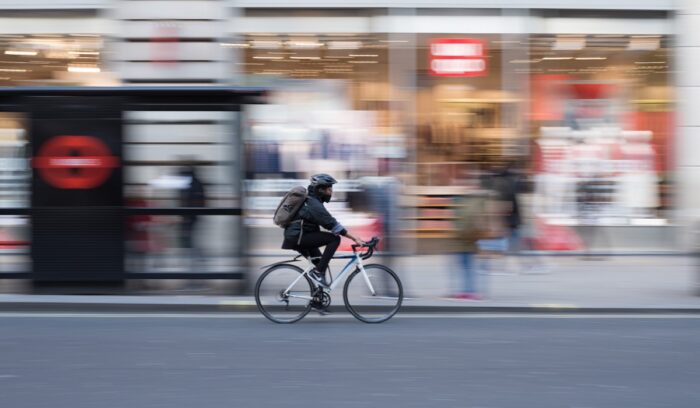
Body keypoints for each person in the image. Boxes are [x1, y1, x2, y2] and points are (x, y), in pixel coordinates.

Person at [281, 174, 365, 287]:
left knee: (321, 263)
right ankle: (318, 273)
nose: (331, 192)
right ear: (320, 189)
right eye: (329, 189)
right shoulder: (313, 204)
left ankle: (317, 297)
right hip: (298, 237)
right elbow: (331, 224)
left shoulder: (312, 201)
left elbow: (328, 222)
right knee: (334, 239)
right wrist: (354, 238)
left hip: (299, 236)